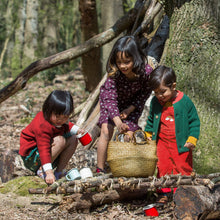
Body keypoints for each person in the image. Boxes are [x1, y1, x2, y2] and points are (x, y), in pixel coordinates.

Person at [97, 35, 153, 173]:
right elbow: (110, 100)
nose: (122, 66)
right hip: (111, 104)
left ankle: (123, 166)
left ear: (136, 58)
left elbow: (144, 94)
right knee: (106, 131)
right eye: (119, 62)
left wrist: (129, 110)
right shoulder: (114, 74)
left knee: (129, 133)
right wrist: (117, 122)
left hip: (132, 105)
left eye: (127, 62)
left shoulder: (145, 73)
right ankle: (100, 167)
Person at [144, 65, 200, 203]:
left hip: (181, 143)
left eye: (163, 92)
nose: (159, 96)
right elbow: (151, 118)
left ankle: (183, 193)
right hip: (162, 142)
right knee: (162, 166)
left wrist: (192, 139)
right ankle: (164, 193)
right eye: (156, 92)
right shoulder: (155, 102)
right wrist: (148, 133)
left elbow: (194, 121)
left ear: (173, 86)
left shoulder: (184, 101)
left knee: (182, 167)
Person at [19, 90, 85, 185]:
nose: (61, 120)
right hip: (32, 156)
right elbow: (43, 148)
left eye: (65, 117)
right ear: (48, 110)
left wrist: (77, 130)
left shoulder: (58, 121)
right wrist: (48, 172)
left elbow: (66, 126)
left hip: (48, 154)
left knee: (73, 138)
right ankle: (42, 170)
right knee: (60, 141)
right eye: (58, 116)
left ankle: (59, 172)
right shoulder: (42, 125)